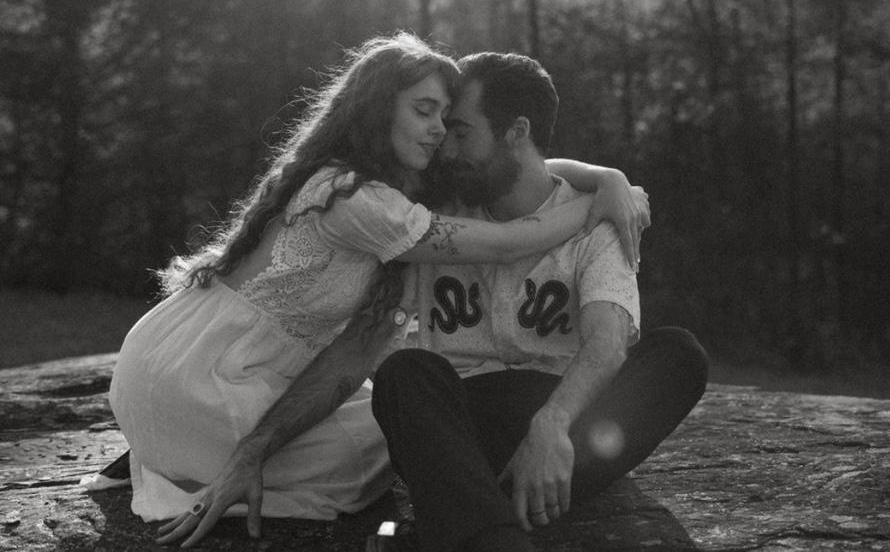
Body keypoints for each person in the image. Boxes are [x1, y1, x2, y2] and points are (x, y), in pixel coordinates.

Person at [154, 53, 700, 552]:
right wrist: (255, 448)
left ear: (516, 133)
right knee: (404, 374)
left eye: (460, 132)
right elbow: (357, 352)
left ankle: (464, 522)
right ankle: (494, 534)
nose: (446, 148)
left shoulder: (601, 221)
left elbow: (607, 343)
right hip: (455, 429)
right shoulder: (428, 214)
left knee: (679, 356)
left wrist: (551, 426)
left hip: (566, 423)